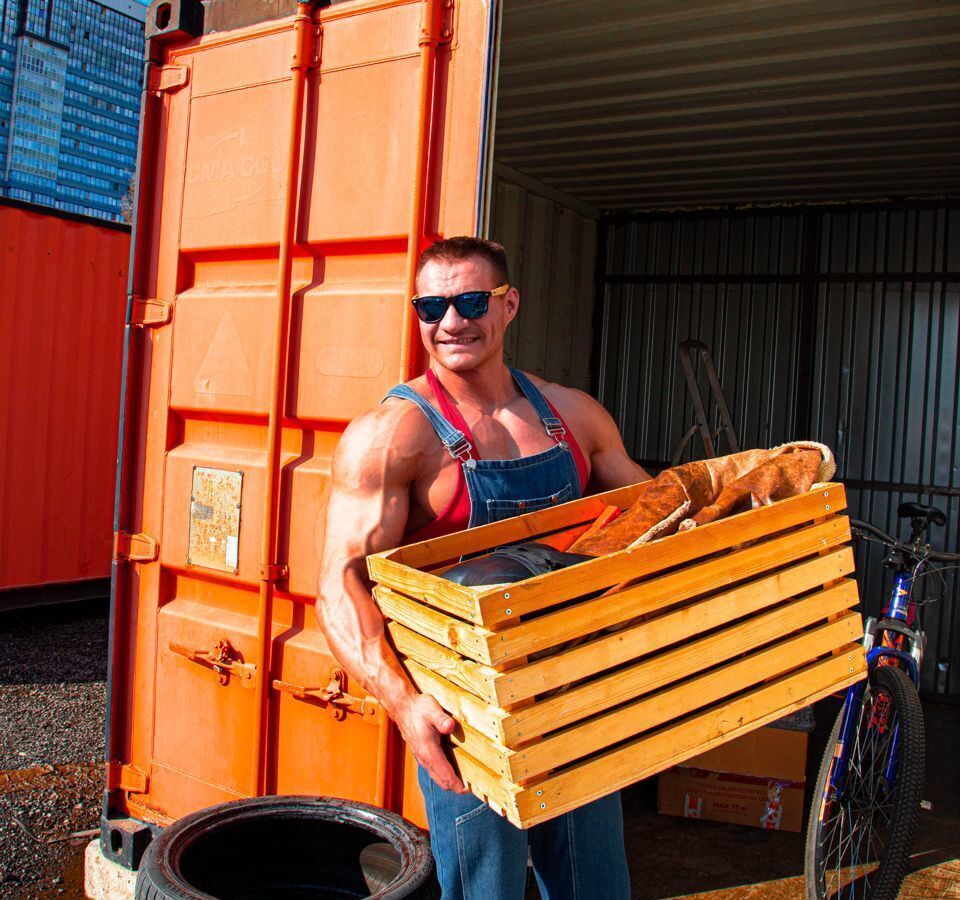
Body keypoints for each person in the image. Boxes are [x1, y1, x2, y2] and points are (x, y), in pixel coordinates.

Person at [316, 237, 649, 899]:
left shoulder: (572, 417)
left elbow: (655, 519)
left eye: (471, 300)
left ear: (509, 303)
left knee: (598, 889)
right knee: (483, 894)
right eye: (431, 305)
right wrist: (407, 706)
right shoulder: (391, 438)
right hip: (466, 719)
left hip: (574, 699)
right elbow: (337, 584)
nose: (451, 322)